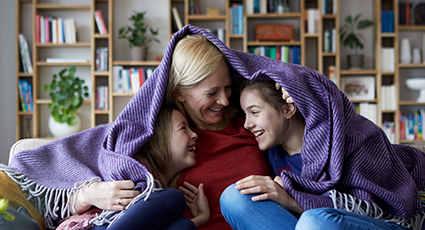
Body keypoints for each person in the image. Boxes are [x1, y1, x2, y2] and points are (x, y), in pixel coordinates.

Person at [219, 78, 425, 230]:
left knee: (314, 222)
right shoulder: (271, 151)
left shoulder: (344, 141)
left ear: (288, 109)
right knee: (233, 197)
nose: (247, 124)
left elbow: (370, 209)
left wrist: (291, 200)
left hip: (378, 223)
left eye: (254, 112)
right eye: (245, 114)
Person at [167, 34, 270, 229]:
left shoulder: (251, 123)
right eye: (212, 93)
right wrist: (90, 189)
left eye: (228, 87)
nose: (224, 100)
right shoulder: (170, 137)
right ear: (179, 92)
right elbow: (98, 146)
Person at [55, 105, 210, 230]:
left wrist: (201, 218)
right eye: (183, 128)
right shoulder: (131, 166)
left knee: (182, 224)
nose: (194, 134)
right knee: (174, 198)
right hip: (91, 225)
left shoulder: (160, 191)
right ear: (160, 137)